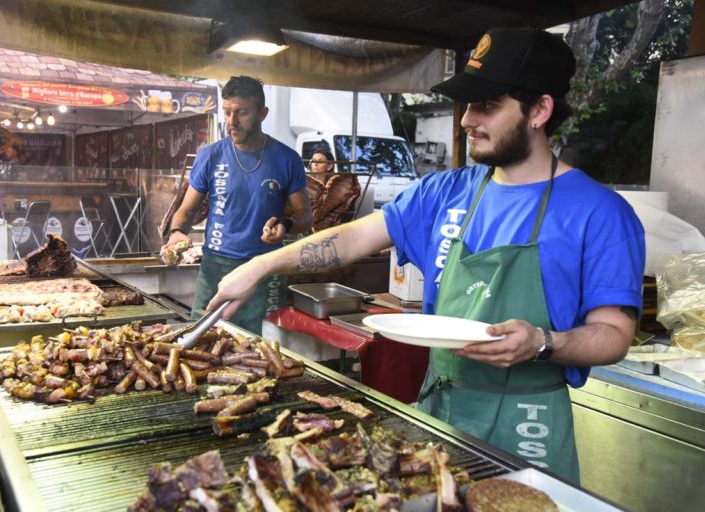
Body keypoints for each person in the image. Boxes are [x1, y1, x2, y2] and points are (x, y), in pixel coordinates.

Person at [205, 28, 645, 482]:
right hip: (440, 409)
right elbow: (351, 239)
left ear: (540, 110)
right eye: (468, 104)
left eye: (487, 105)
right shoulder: (445, 192)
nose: (466, 120)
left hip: (527, 421)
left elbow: (613, 334)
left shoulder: (600, 213)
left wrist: (544, 343)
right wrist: (259, 265)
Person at [162, 75, 312, 334]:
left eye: (241, 113)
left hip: (266, 267)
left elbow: (305, 216)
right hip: (215, 267)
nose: (232, 122)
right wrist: (177, 233)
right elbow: (185, 211)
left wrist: (286, 224)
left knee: (261, 348)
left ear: (262, 113)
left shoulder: (287, 159)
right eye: (227, 112)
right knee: (202, 339)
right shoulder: (210, 156)